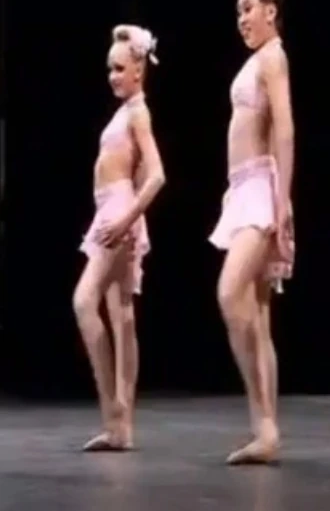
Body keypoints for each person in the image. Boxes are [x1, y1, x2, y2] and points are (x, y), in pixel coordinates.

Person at [209, 0, 295, 465]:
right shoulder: (259, 59)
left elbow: (285, 128)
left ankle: (264, 425)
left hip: (261, 189)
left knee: (230, 292)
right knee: (258, 318)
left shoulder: (272, 57)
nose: (242, 18)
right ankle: (266, 430)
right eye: (238, 11)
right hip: (242, 189)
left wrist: (282, 205)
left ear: (270, 10)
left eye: (248, 8)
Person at [74, 24, 166, 451]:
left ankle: (113, 412)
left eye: (120, 68)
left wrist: (127, 219)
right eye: (110, 68)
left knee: (83, 301)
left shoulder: (137, 112)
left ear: (138, 70)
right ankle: (120, 426)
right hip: (112, 210)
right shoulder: (128, 110)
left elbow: (157, 176)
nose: (112, 76)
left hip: (118, 212)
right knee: (122, 315)